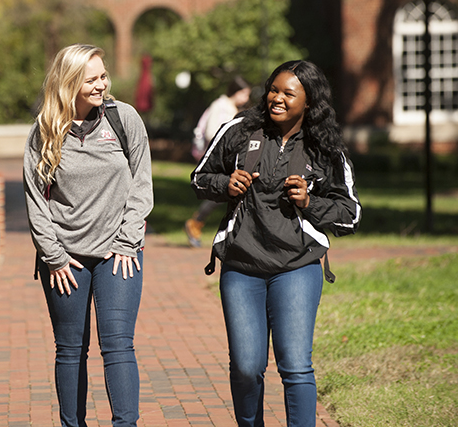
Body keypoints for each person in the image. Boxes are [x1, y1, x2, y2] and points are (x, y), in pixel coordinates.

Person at [190, 60, 361, 427]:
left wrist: (310, 202)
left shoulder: (324, 147)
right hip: (241, 268)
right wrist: (225, 184)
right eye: (273, 89)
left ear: (310, 102)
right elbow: (199, 177)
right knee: (247, 367)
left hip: (296, 269)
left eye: (288, 93)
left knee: (296, 366)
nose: (276, 99)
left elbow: (351, 213)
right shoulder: (239, 130)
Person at [24, 44, 153, 427]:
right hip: (66, 260)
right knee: (69, 350)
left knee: (117, 345)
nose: (102, 85)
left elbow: (141, 183)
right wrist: (54, 256)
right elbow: (35, 199)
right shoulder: (45, 131)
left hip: (119, 253)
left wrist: (128, 239)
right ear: (69, 83)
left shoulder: (122, 118)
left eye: (103, 76)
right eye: (91, 79)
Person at [185, 76, 252, 246]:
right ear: (235, 92)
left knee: (226, 193)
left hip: (226, 158)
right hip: (217, 159)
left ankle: (198, 223)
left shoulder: (229, 107)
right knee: (222, 192)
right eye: (244, 94)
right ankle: (196, 223)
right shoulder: (221, 106)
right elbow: (212, 132)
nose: (246, 98)